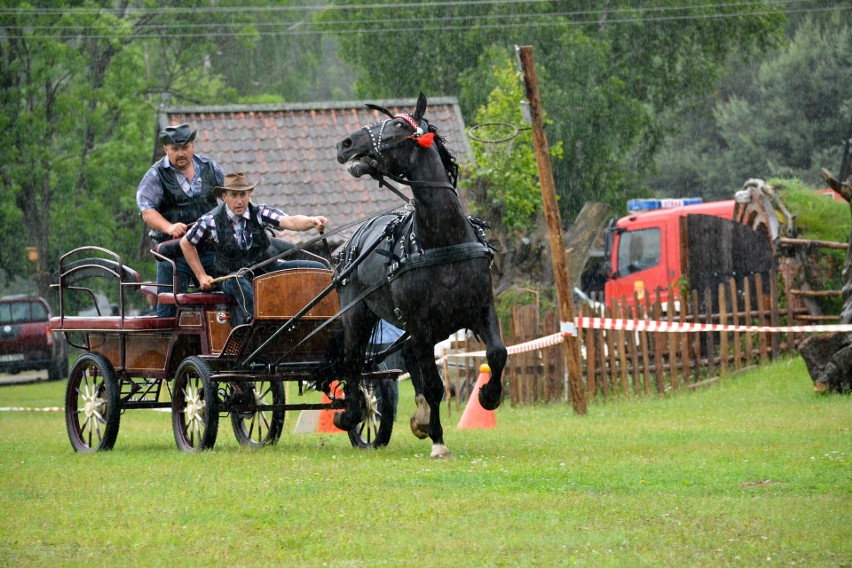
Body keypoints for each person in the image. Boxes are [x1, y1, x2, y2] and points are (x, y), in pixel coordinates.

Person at [180, 172, 328, 327]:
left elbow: (290, 221)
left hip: (267, 270)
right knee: (237, 280)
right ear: (224, 196)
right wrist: (201, 275)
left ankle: (316, 323)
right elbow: (186, 243)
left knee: (318, 270)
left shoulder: (260, 212)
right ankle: (260, 325)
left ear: (249, 194)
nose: (239, 201)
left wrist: (311, 221)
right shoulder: (209, 221)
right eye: (234, 195)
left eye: (243, 195)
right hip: (231, 277)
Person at [136, 123, 226, 317]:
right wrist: (169, 227)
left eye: (185, 148)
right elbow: (147, 211)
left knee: (225, 300)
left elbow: (232, 197)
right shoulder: (156, 174)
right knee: (168, 310)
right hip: (173, 253)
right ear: (165, 149)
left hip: (208, 249)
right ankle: (167, 343)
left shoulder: (210, 168)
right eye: (175, 149)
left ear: (193, 145)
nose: (181, 153)